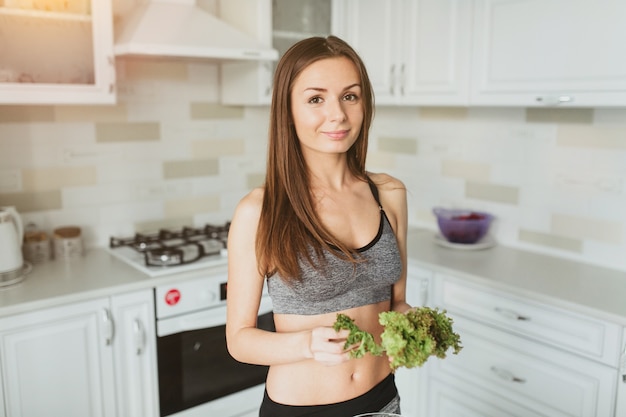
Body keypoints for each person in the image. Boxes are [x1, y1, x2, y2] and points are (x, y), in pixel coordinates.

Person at [226, 35, 411, 417]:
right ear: (288, 111)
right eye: (316, 99)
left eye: (350, 96)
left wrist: (409, 322)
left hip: (384, 403)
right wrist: (307, 344)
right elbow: (239, 341)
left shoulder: (389, 194)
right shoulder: (261, 211)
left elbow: (397, 303)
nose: (338, 115)